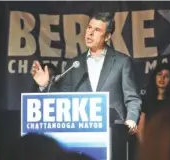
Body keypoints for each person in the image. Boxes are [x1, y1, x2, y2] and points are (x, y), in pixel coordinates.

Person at [31, 12, 142, 160]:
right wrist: (45, 85)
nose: (89, 32)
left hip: (113, 135)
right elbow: (65, 100)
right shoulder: (74, 65)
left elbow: (132, 98)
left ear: (107, 36)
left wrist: (131, 120)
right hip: (82, 137)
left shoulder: (122, 62)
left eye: (97, 30)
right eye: (89, 27)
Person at [137, 63, 170, 143]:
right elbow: (140, 128)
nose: (162, 78)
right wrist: (145, 147)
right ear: (155, 77)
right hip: (151, 145)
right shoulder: (147, 100)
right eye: (159, 74)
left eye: (167, 76)